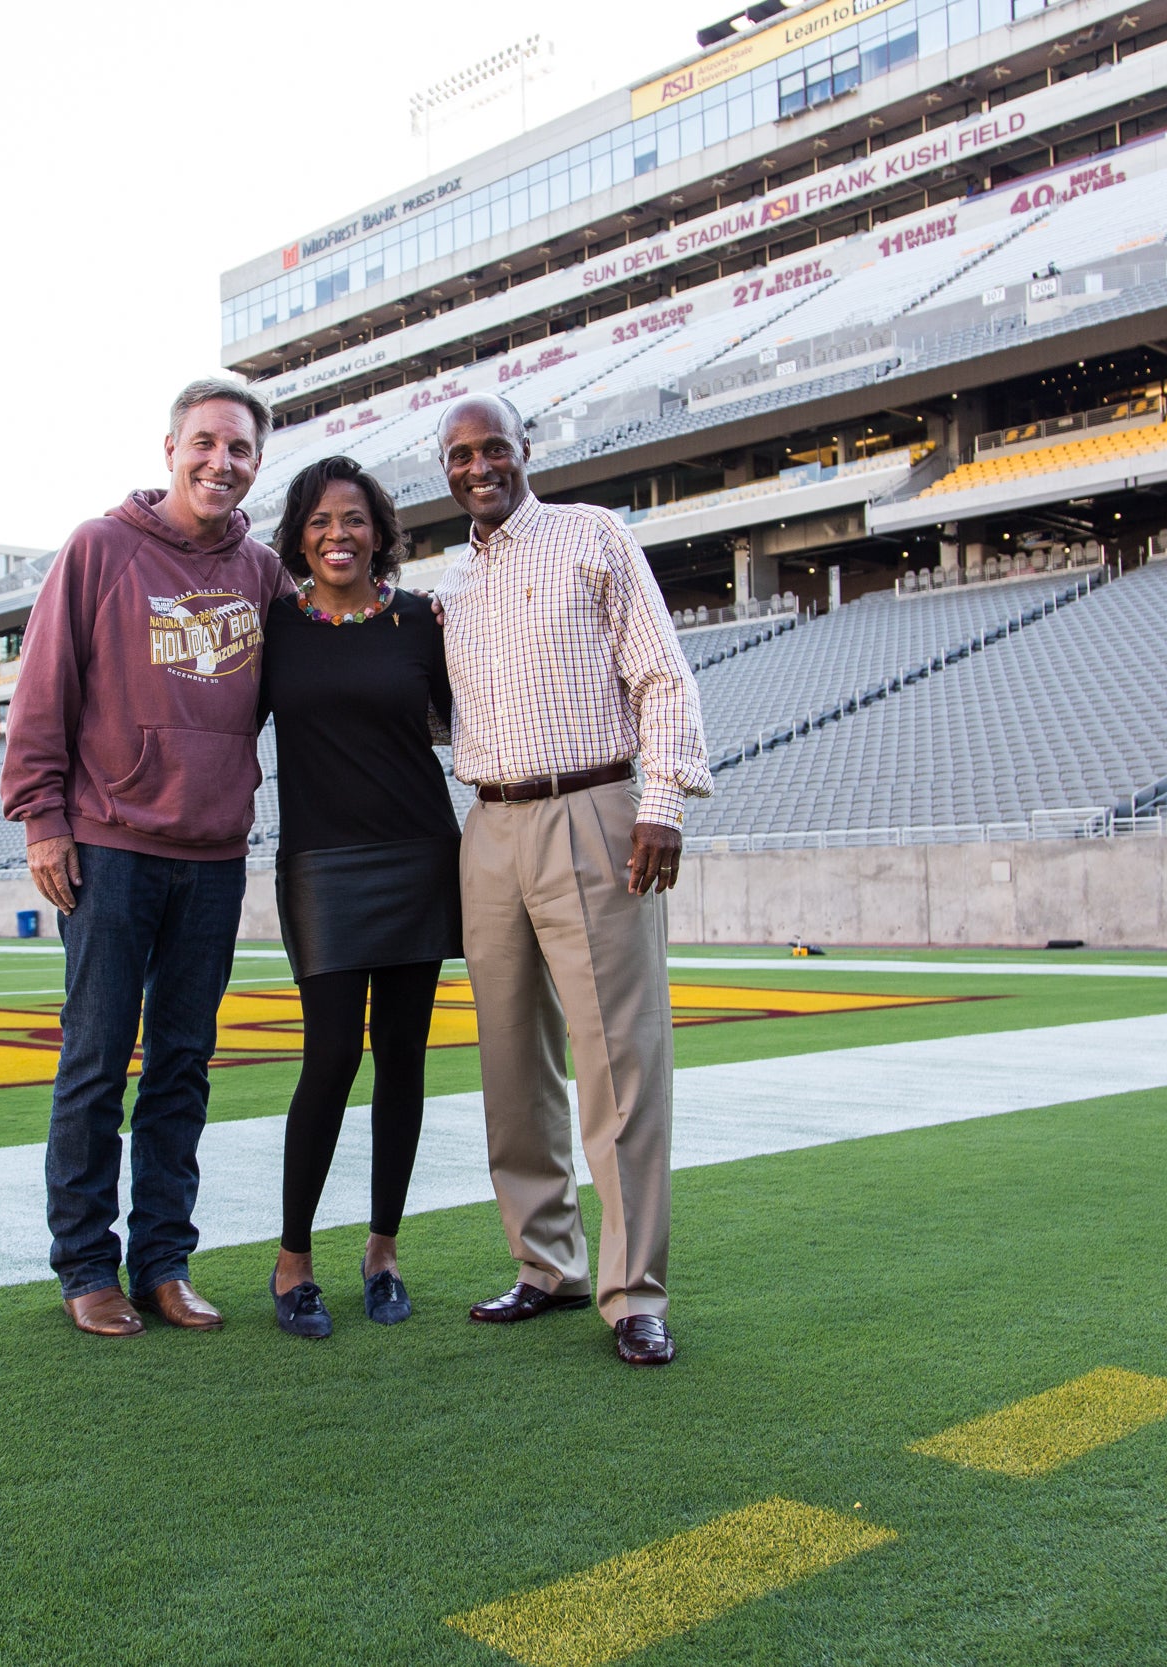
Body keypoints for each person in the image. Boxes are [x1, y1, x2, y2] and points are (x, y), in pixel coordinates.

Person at [2, 378, 293, 1338]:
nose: (221, 462)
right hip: (110, 848)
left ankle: (163, 1261)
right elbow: (43, 692)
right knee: (93, 1061)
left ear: (257, 462)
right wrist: (43, 818)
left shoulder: (260, 570)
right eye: (205, 443)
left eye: (240, 449)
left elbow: (321, 662)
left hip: (213, 856)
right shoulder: (99, 548)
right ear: (170, 446)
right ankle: (87, 1266)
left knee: (183, 1065)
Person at [431, 394, 708, 1368]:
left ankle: (633, 1291)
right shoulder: (449, 585)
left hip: (592, 806)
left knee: (617, 1056)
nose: (477, 466)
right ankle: (543, 1260)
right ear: (444, 467)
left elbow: (663, 676)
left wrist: (662, 797)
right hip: (489, 825)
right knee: (510, 1061)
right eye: (459, 454)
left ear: (524, 450)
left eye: (492, 447)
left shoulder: (592, 535)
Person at [258, 456, 460, 1340]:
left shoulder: (423, 620)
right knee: (332, 1057)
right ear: (299, 538)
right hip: (321, 865)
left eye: (353, 519)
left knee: (404, 1061)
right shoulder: (273, 627)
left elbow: (467, 720)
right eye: (318, 522)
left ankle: (383, 1251)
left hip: (418, 854)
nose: (337, 535)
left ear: (380, 529)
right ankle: (291, 1260)